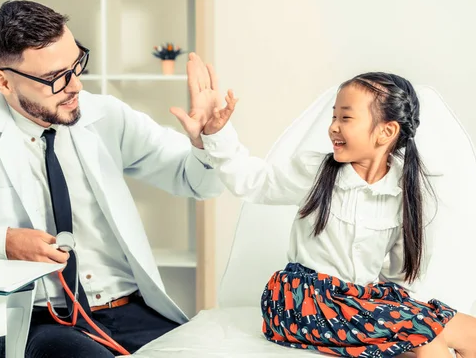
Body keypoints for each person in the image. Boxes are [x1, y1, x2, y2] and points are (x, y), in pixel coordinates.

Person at [0, 0, 225, 357]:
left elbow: (197, 182)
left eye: (76, 65)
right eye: (53, 79)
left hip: (132, 308)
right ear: (3, 82)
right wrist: (2, 241)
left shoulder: (107, 115)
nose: (74, 86)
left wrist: (207, 142)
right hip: (41, 320)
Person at [194, 72, 476, 357]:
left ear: (386, 132)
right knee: (426, 341)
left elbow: (399, 274)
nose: (333, 128)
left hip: (358, 301)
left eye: (346, 118)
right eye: (334, 117)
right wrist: (217, 134)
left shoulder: (405, 190)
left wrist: (402, 313)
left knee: (470, 332)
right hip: (304, 301)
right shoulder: (317, 172)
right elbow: (256, 183)